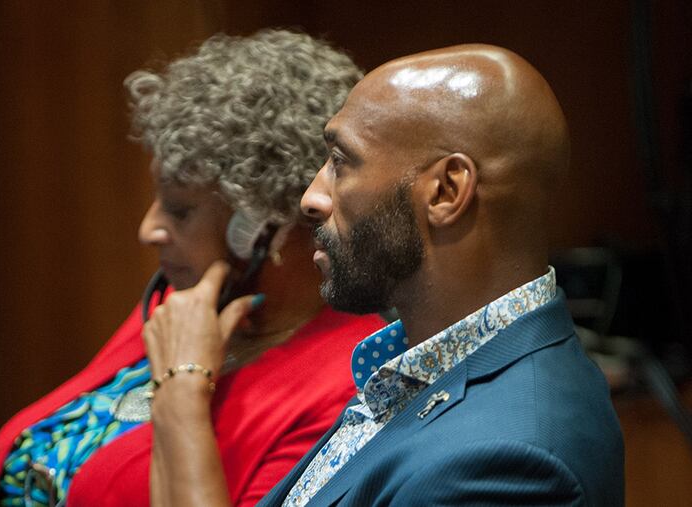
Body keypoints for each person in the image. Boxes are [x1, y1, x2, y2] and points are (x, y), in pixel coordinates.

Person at [0, 30, 383, 507]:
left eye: (179, 210)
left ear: (259, 226)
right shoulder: (187, 304)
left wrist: (183, 391)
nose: (149, 229)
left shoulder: (351, 385)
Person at [254, 44, 622, 505]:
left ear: (446, 191)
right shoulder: (417, 366)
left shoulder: (509, 464)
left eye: (341, 162)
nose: (312, 196)